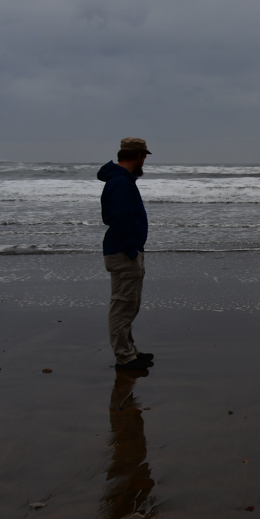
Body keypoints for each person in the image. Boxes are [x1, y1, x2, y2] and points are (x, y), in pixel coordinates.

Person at [98, 137, 154, 371]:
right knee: (123, 305)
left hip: (125, 250)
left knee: (129, 304)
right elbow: (119, 219)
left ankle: (129, 351)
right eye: (144, 158)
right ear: (139, 156)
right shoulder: (121, 182)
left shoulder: (121, 180)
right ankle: (124, 357)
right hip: (123, 252)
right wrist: (131, 250)